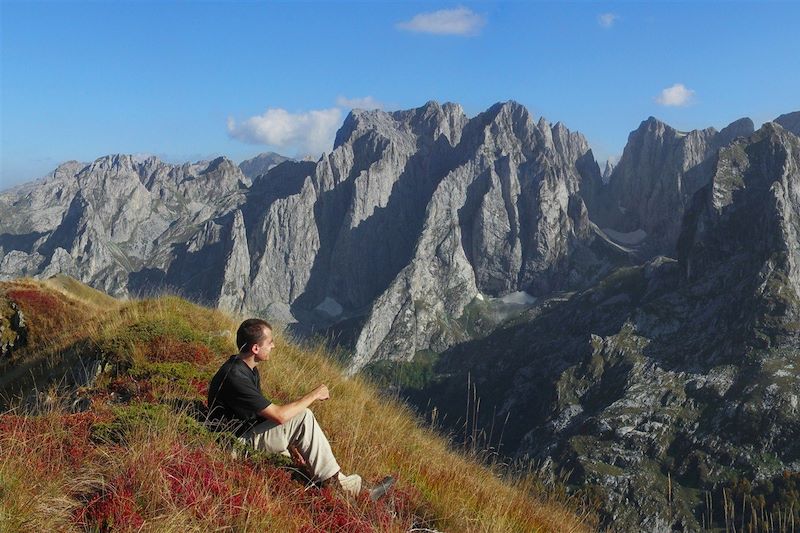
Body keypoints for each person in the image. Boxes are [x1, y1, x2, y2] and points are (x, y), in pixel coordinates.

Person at [207, 318, 390, 499]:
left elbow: (257, 414)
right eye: (270, 342)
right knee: (303, 416)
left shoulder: (248, 368)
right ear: (255, 348)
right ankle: (343, 490)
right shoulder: (235, 376)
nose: (274, 346)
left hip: (244, 434)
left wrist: (292, 443)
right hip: (233, 445)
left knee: (299, 459)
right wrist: (314, 395)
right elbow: (279, 416)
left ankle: (347, 488)